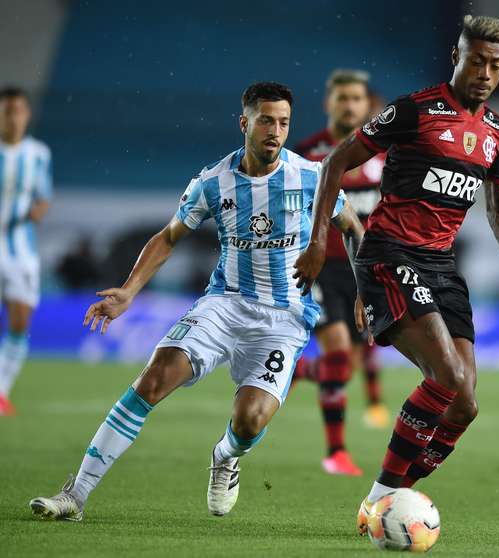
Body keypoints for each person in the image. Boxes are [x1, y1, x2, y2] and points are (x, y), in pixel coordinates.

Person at [29, 82, 365, 521]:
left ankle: (226, 456)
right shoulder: (213, 181)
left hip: (285, 318)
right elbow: (169, 237)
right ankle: (75, 494)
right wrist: (129, 291)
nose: (275, 131)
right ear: (244, 123)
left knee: (249, 422)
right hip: (223, 304)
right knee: (153, 378)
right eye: (265, 120)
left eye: (283, 122)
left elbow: (354, 228)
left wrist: (366, 292)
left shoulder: (311, 176)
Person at [293, 15, 499, 533]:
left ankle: (395, 496)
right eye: (475, 60)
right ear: (457, 57)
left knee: (466, 404)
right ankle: (383, 498)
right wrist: (320, 239)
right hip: (390, 255)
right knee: (447, 377)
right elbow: (336, 160)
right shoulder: (415, 110)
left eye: (495, 65)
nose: (484, 72)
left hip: (442, 266)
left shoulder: (497, 132)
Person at [293, 69, 388, 477]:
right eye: (342, 98)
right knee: (336, 354)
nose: (350, 105)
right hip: (320, 269)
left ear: (367, 105)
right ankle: (336, 452)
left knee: (344, 365)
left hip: (361, 271)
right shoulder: (305, 152)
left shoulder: (384, 156)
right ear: (329, 103)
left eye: (356, 98)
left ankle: (299, 371)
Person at [0, 86, 52, 416]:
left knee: (21, 319)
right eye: (6, 111)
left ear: (27, 114)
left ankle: (1, 391)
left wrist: (38, 211)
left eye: (17, 110)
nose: (12, 117)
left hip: (20, 249)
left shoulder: (38, 154)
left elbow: (43, 197)